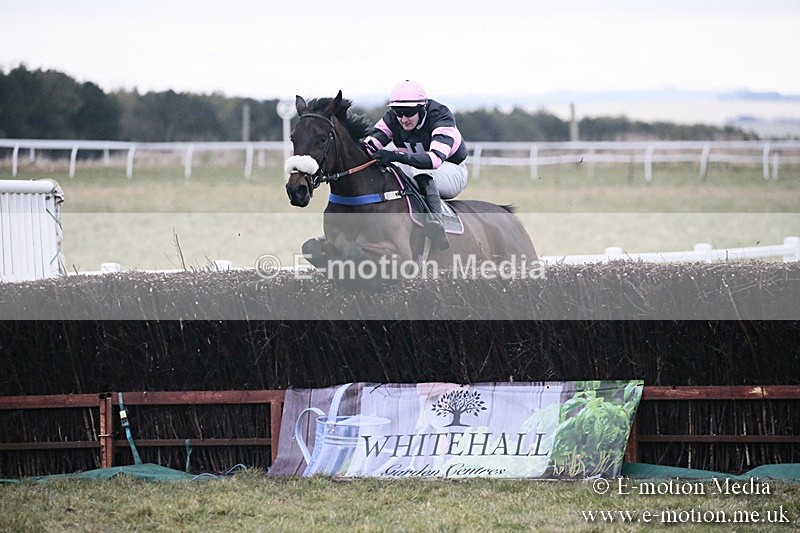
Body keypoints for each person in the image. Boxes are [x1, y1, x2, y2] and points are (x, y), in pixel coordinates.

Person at [362, 80, 468, 250]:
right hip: (415, 168)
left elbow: (433, 160)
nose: (403, 119)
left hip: (451, 171)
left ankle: (436, 222)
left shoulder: (440, 116)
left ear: (422, 108)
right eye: (398, 112)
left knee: (419, 166)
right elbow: (368, 148)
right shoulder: (393, 119)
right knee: (387, 170)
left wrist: (395, 155)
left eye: (409, 113)